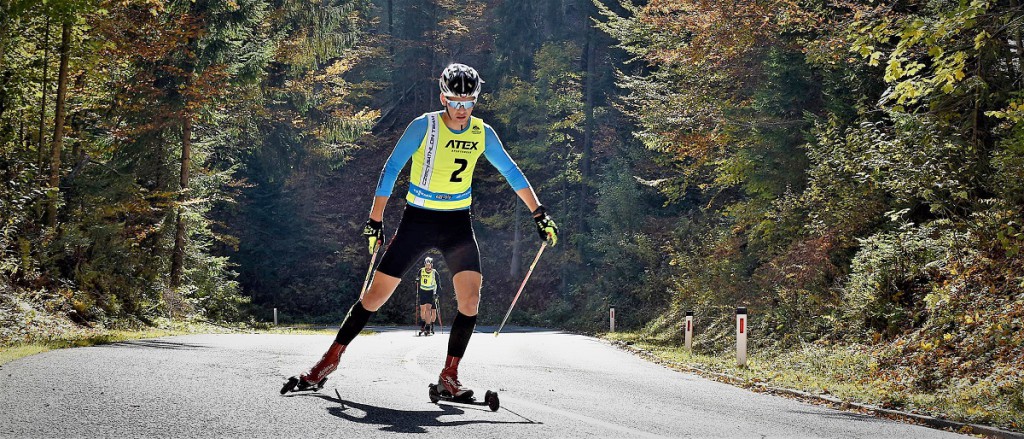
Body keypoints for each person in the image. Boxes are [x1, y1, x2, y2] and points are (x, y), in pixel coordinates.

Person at [282, 63, 559, 399]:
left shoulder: (482, 132)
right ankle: (328, 361)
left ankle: (449, 376)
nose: (461, 109)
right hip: (419, 219)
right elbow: (392, 168)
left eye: (468, 101)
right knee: (374, 297)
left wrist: (538, 213)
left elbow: (512, 172)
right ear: (443, 98)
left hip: (456, 222)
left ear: (475, 100)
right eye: (455, 101)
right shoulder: (424, 126)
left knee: (470, 300)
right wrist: (375, 220)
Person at [417, 256, 440, 336]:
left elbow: (438, 284)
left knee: (428, 309)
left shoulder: (434, 272)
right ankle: (423, 323)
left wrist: (437, 294)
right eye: (426, 264)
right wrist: (417, 280)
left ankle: (428, 327)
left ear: (431, 265)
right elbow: (418, 278)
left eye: (429, 264)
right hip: (423, 291)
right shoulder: (421, 270)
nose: (427, 266)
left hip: (431, 292)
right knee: (422, 309)